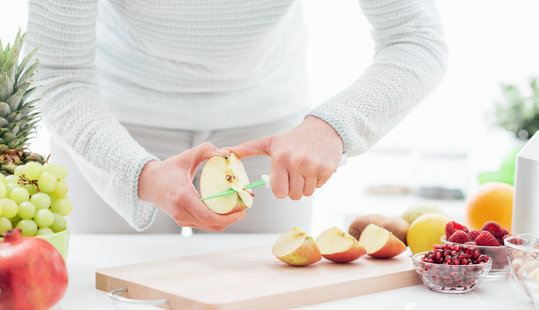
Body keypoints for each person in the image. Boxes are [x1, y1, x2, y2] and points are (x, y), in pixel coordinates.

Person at [26, 0, 447, 234]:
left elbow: (416, 37)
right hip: (115, 131)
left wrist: (334, 126)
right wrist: (136, 172)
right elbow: (59, 75)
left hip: (268, 129)